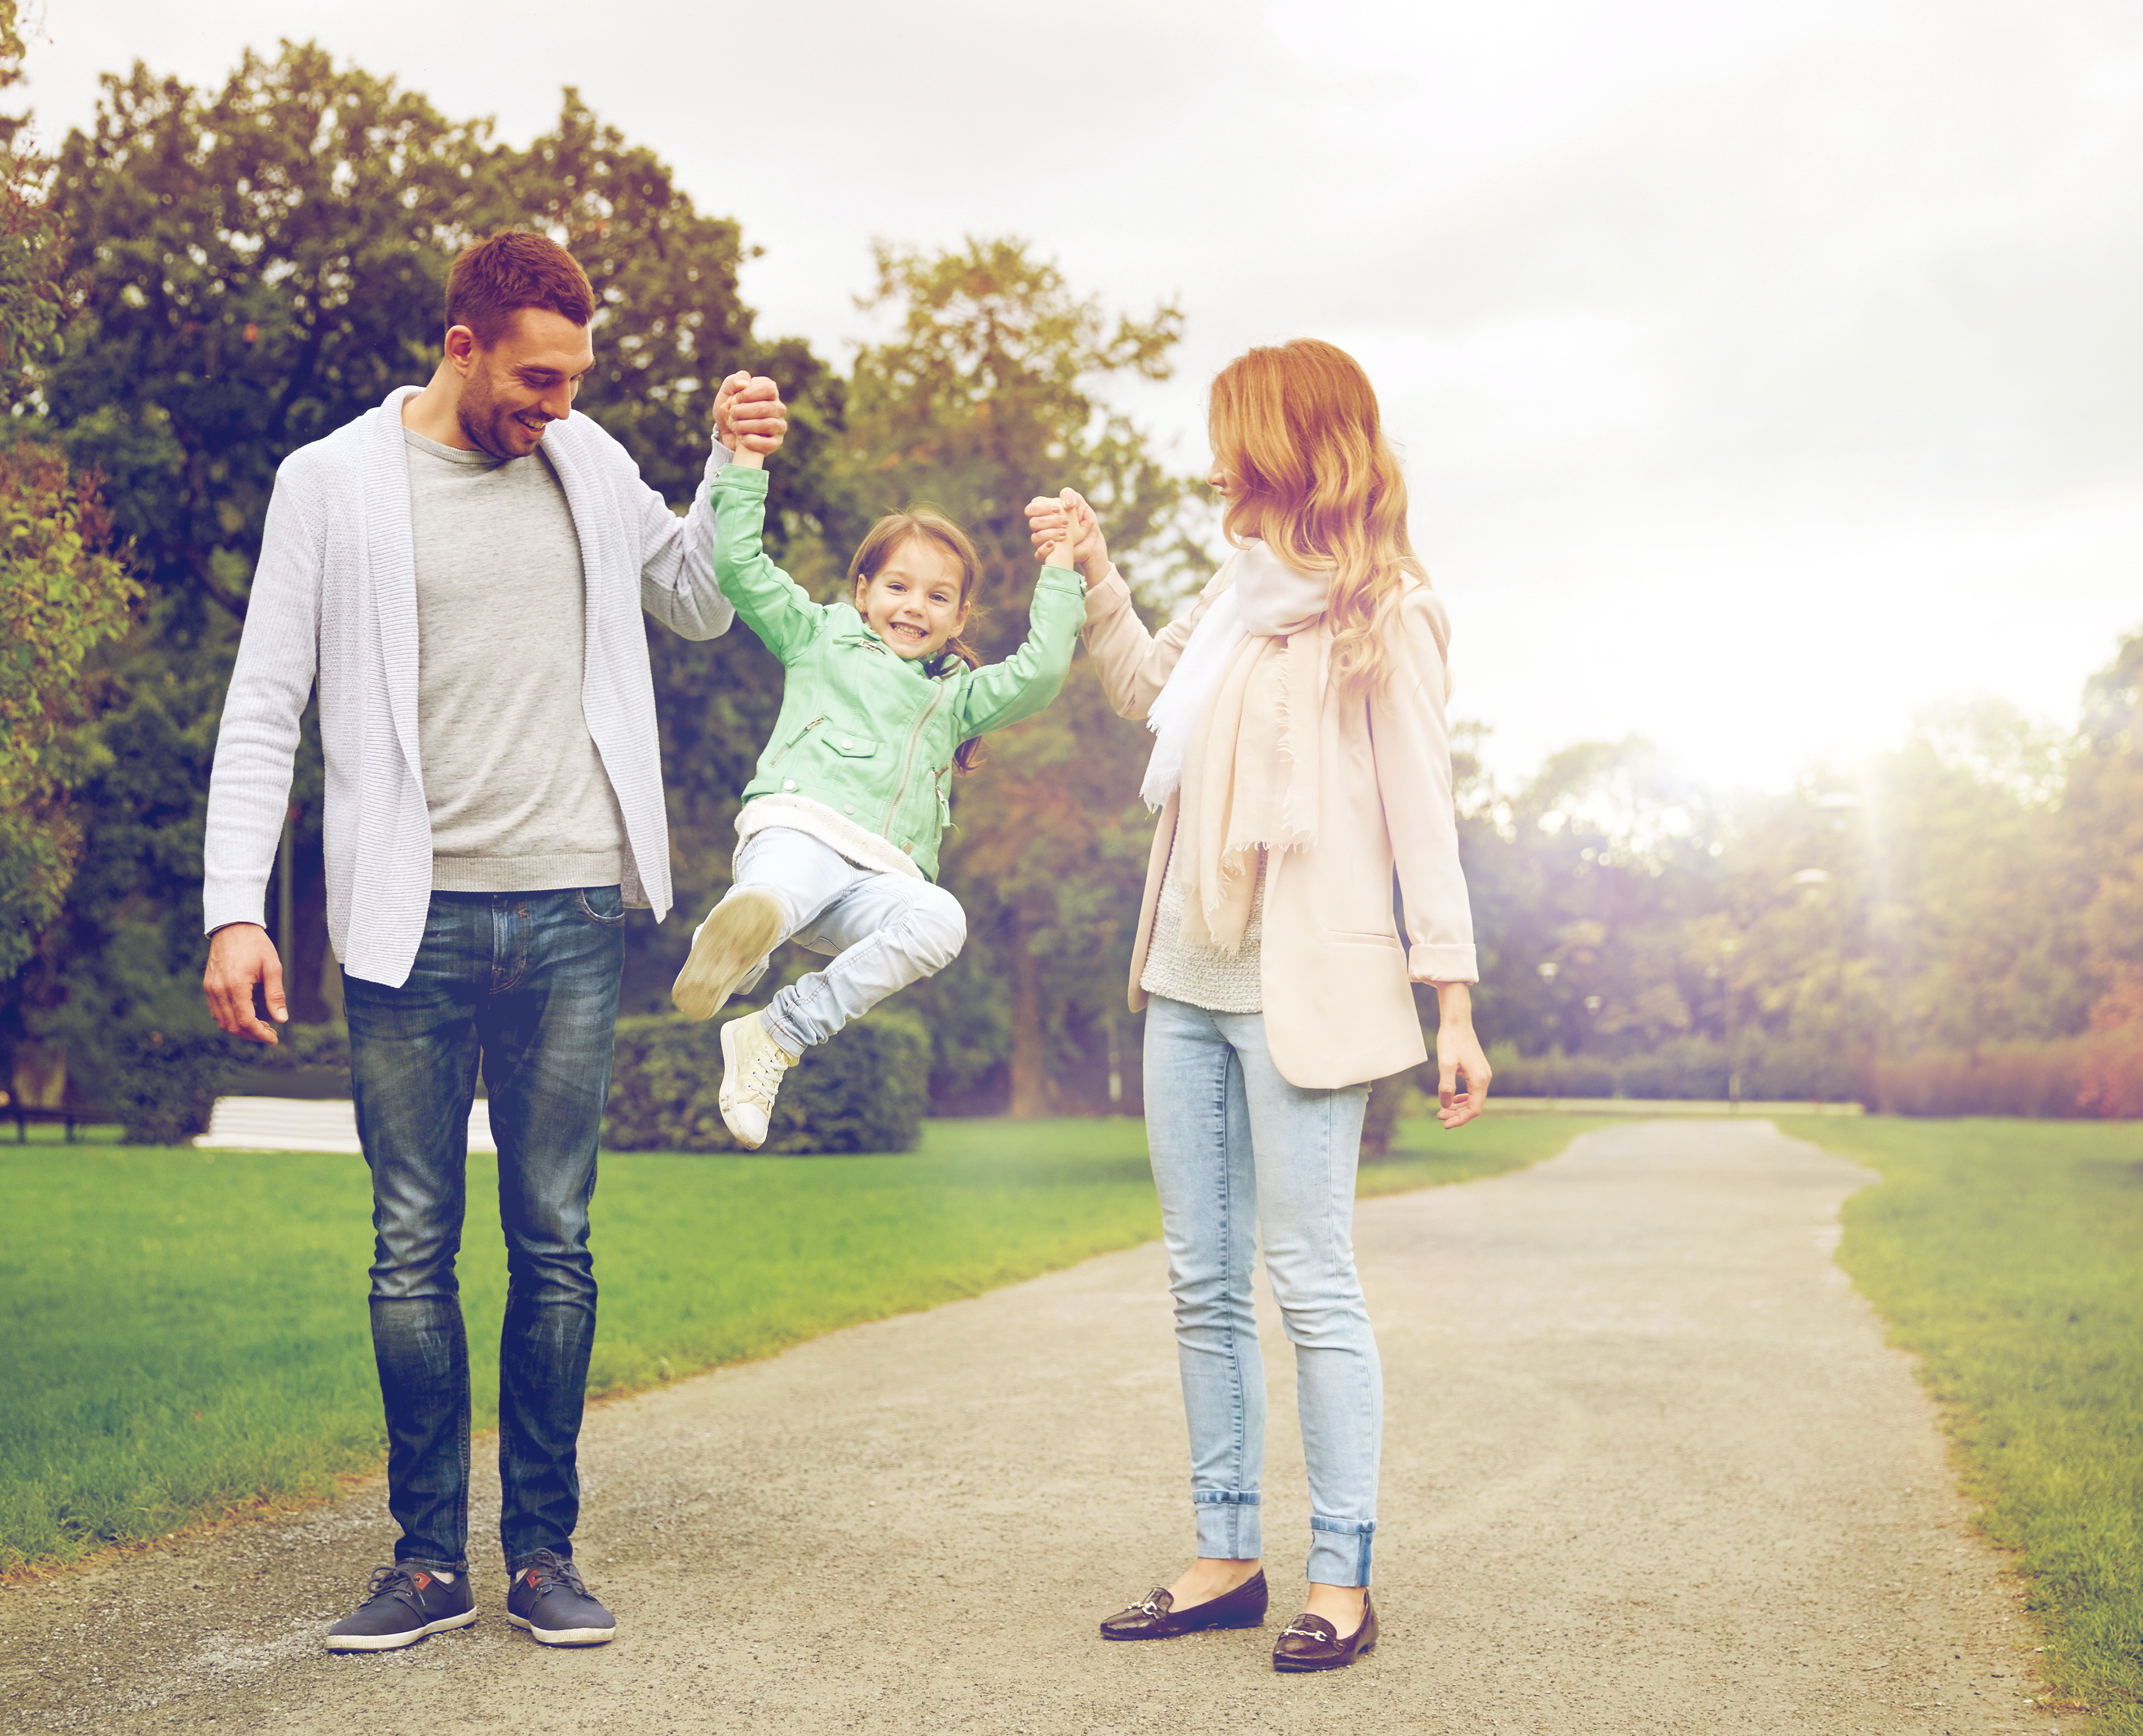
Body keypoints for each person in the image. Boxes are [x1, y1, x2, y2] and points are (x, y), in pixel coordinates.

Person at [199, 230, 787, 1655]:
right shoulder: (332, 483)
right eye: (536, 377)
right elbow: (266, 701)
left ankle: (540, 1553)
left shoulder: (583, 459)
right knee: (412, 1245)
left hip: (577, 905)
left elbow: (699, 600)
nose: (559, 405)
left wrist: (738, 465)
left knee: (558, 1241)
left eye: (576, 379)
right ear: (462, 346)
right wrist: (235, 906)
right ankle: (422, 1560)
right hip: (410, 918)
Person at [1029, 337, 1490, 1676]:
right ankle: (1224, 1555)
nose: (1216, 458)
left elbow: (1424, 819)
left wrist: (1450, 1002)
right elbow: (1138, 694)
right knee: (1199, 1284)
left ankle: (1340, 1572)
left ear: (1292, 443)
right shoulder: (1232, 596)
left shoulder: (1385, 613)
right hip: (1184, 975)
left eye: (1235, 433)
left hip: (1310, 988)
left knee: (1311, 1281)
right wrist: (1099, 577)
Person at [670, 383, 1086, 1147]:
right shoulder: (817, 635)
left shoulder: (958, 698)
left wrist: (1062, 567)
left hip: (879, 877)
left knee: (942, 919)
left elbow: (1042, 673)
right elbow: (738, 566)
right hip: (800, 827)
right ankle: (743, 934)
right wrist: (745, 461)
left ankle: (778, 1029)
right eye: (897, 587)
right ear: (863, 593)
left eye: (937, 597)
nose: (913, 607)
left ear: (960, 618)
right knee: (784, 885)